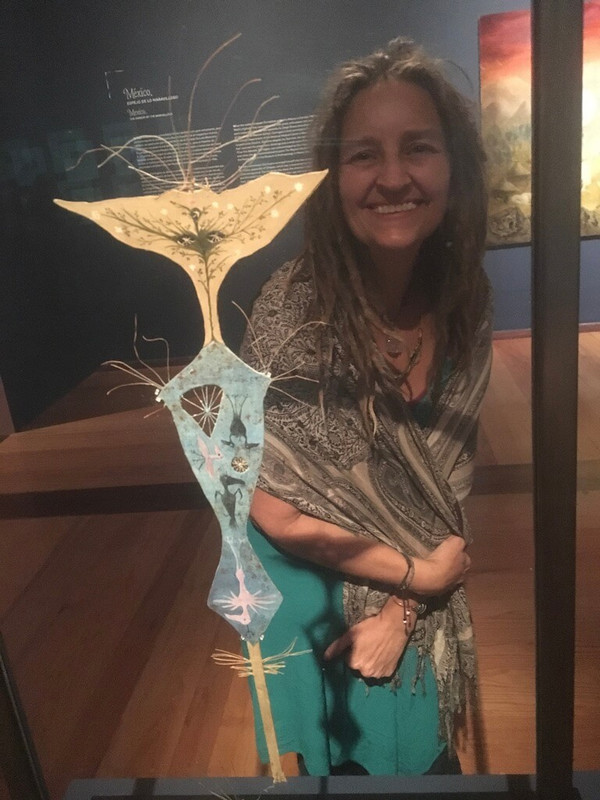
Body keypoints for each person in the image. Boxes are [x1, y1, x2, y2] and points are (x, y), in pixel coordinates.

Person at [240, 37, 492, 776]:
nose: (393, 177)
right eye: (363, 155)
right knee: (350, 763)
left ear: (453, 165)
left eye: (418, 148)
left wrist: (404, 608)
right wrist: (421, 582)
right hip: (314, 594)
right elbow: (275, 510)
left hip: (412, 590)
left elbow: (443, 492)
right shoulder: (293, 313)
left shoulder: (466, 297)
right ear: (332, 177)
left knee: (427, 761)